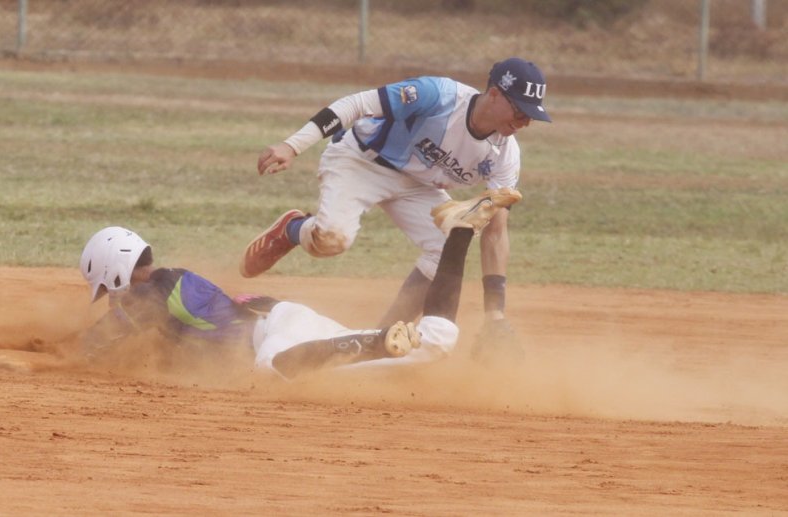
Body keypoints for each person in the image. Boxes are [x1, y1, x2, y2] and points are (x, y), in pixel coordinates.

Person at [240, 57, 550, 357]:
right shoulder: (439, 96)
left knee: (447, 246)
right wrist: (292, 145)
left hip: (418, 186)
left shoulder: (505, 155)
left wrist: (495, 313)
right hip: (361, 160)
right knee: (332, 241)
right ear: (494, 94)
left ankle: (382, 338)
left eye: (531, 115)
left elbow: (495, 231)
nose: (524, 122)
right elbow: (356, 104)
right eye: (519, 110)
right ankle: (292, 229)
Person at [77, 193, 516, 379]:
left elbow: (96, 343)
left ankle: (376, 341)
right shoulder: (172, 291)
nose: (112, 298)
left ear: (116, 272)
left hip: (279, 336)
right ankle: (459, 231)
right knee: (436, 342)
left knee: (269, 369)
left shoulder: (156, 289)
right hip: (298, 328)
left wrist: (46, 356)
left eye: (108, 289)